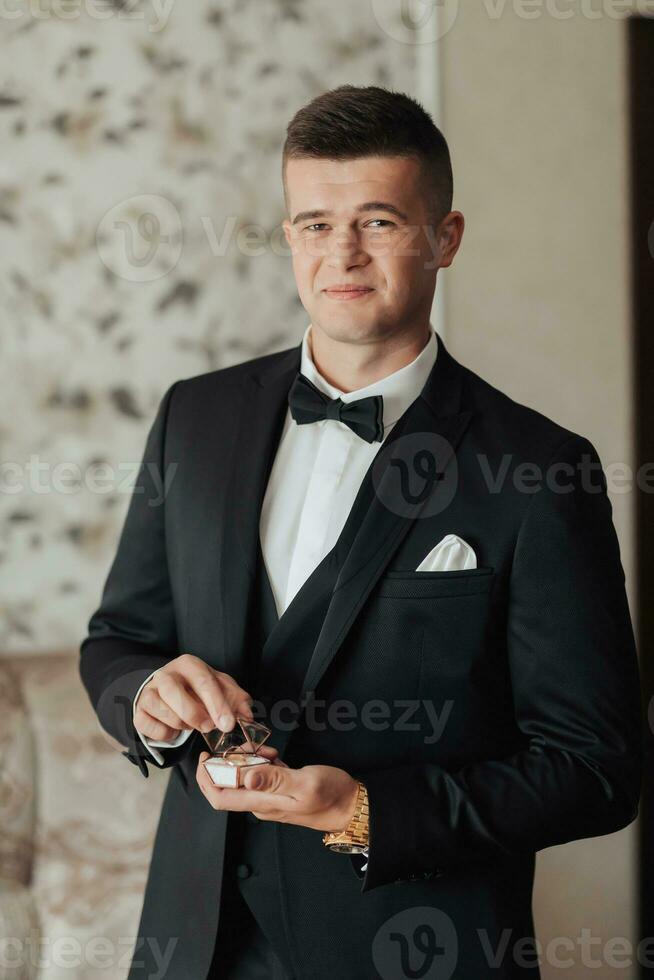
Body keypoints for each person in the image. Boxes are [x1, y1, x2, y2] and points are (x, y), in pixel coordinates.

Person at [79, 84, 642, 980]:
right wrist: (146, 694)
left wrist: (367, 812)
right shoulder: (196, 416)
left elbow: (597, 769)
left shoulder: (540, 468)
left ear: (444, 238)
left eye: (378, 222)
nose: (340, 252)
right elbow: (118, 639)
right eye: (312, 223)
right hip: (193, 945)